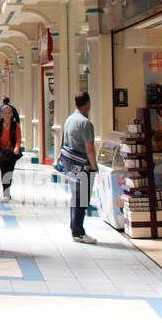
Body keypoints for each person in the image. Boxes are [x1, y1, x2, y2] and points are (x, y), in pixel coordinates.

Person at [59, 91, 99, 243]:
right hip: (83, 166)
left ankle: (76, 229)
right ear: (88, 104)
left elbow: (64, 141)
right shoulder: (86, 123)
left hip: (70, 164)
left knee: (76, 197)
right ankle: (78, 232)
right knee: (82, 199)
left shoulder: (69, 120)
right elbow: (89, 147)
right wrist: (94, 166)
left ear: (75, 103)